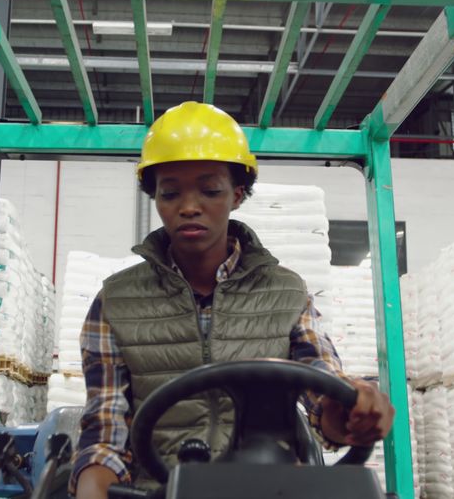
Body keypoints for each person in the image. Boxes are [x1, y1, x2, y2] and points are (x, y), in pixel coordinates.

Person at [71, 102, 395, 498]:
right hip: (163, 490)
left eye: (210, 191)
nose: (189, 207)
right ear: (155, 198)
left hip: (269, 488)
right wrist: (93, 486)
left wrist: (351, 408)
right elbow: (106, 430)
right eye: (170, 193)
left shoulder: (286, 292)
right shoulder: (115, 302)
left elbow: (321, 385)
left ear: (237, 195)